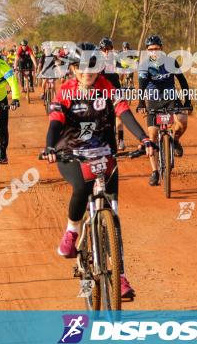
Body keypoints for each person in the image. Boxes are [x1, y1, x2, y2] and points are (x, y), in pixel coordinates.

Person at [43, 42, 154, 299]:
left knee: (114, 220)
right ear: (72, 69)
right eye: (80, 68)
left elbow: (124, 114)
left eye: (91, 67)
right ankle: (72, 231)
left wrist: (143, 139)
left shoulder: (108, 88)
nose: (86, 73)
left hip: (105, 156)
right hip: (71, 154)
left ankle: (121, 276)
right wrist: (49, 146)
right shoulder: (66, 92)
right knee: (82, 186)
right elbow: (55, 124)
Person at [135, 35, 191, 186]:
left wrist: (188, 101)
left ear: (161, 49)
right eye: (150, 50)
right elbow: (142, 86)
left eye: (156, 49)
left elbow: (183, 81)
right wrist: (141, 103)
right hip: (153, 100)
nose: (154, 52)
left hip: (171, 97)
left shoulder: (170, 62)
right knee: (152, 136)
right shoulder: (144, 65)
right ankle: (154, 171)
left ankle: (176, 140)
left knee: (183, 121)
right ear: (147, 51)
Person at [98, 37, 127, 150]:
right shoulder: (97, 61)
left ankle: (121, 140)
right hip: (102, 91)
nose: (106, 51)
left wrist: (121, 79)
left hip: (115, 89)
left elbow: (123, 71)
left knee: (119, 115)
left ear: (112, 49)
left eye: (108, 49)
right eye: (104, 49)